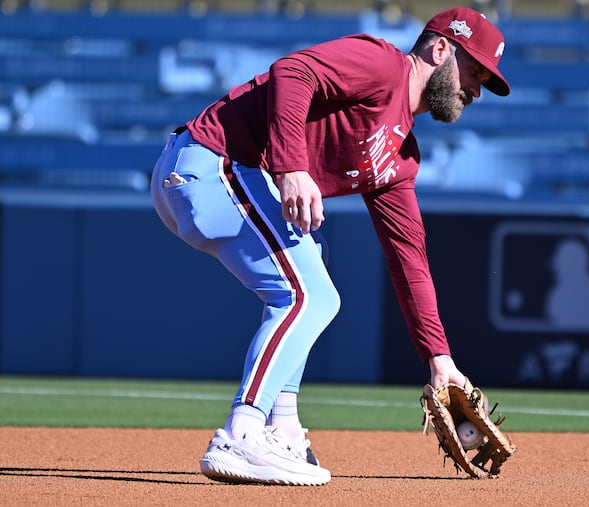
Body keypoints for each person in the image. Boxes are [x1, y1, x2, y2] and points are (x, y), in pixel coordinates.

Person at [150, 6, 510, 486]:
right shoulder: (383, 66)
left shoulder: (400, 157)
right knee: (310, 296)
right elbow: (292, 72)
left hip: (222, 178)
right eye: (475, 71)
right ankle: (242, 431)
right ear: (441, 48)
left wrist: (439, 359)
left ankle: (282, 429)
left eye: (485, 81)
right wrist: (292, 167)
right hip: (210, 160)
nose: (476, 90)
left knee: (306, 276)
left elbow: (410, 263)